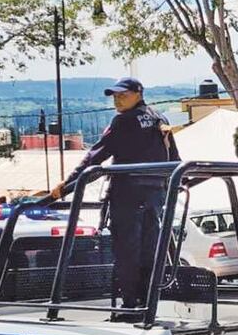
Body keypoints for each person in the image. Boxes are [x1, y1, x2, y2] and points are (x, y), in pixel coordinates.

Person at [51, 77, 179, 318]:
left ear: (138, 94)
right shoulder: (160, 119)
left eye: (123, 95)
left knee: (127, 250)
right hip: (155, 195)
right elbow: (175, 157)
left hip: (129, 194)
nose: (117, 100)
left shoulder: (124, 121)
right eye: (115, 96)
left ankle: (130, 305)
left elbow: (94, 158)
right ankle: (147, 303)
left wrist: (67, 185)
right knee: (148, 249)